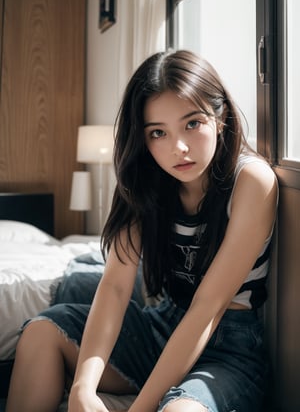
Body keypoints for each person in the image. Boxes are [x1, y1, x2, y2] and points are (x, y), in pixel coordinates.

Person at [6, 50, 278, 412]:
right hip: (161, 326)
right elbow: (116, 286)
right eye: (158, 133)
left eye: (192, 124)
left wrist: (141, 408)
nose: (178, 147)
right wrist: (82, 390)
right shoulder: (145, 179)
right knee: (40, 332)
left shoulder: (252, 181)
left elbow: (208, 308)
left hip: (228, 347)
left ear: (220, 116)